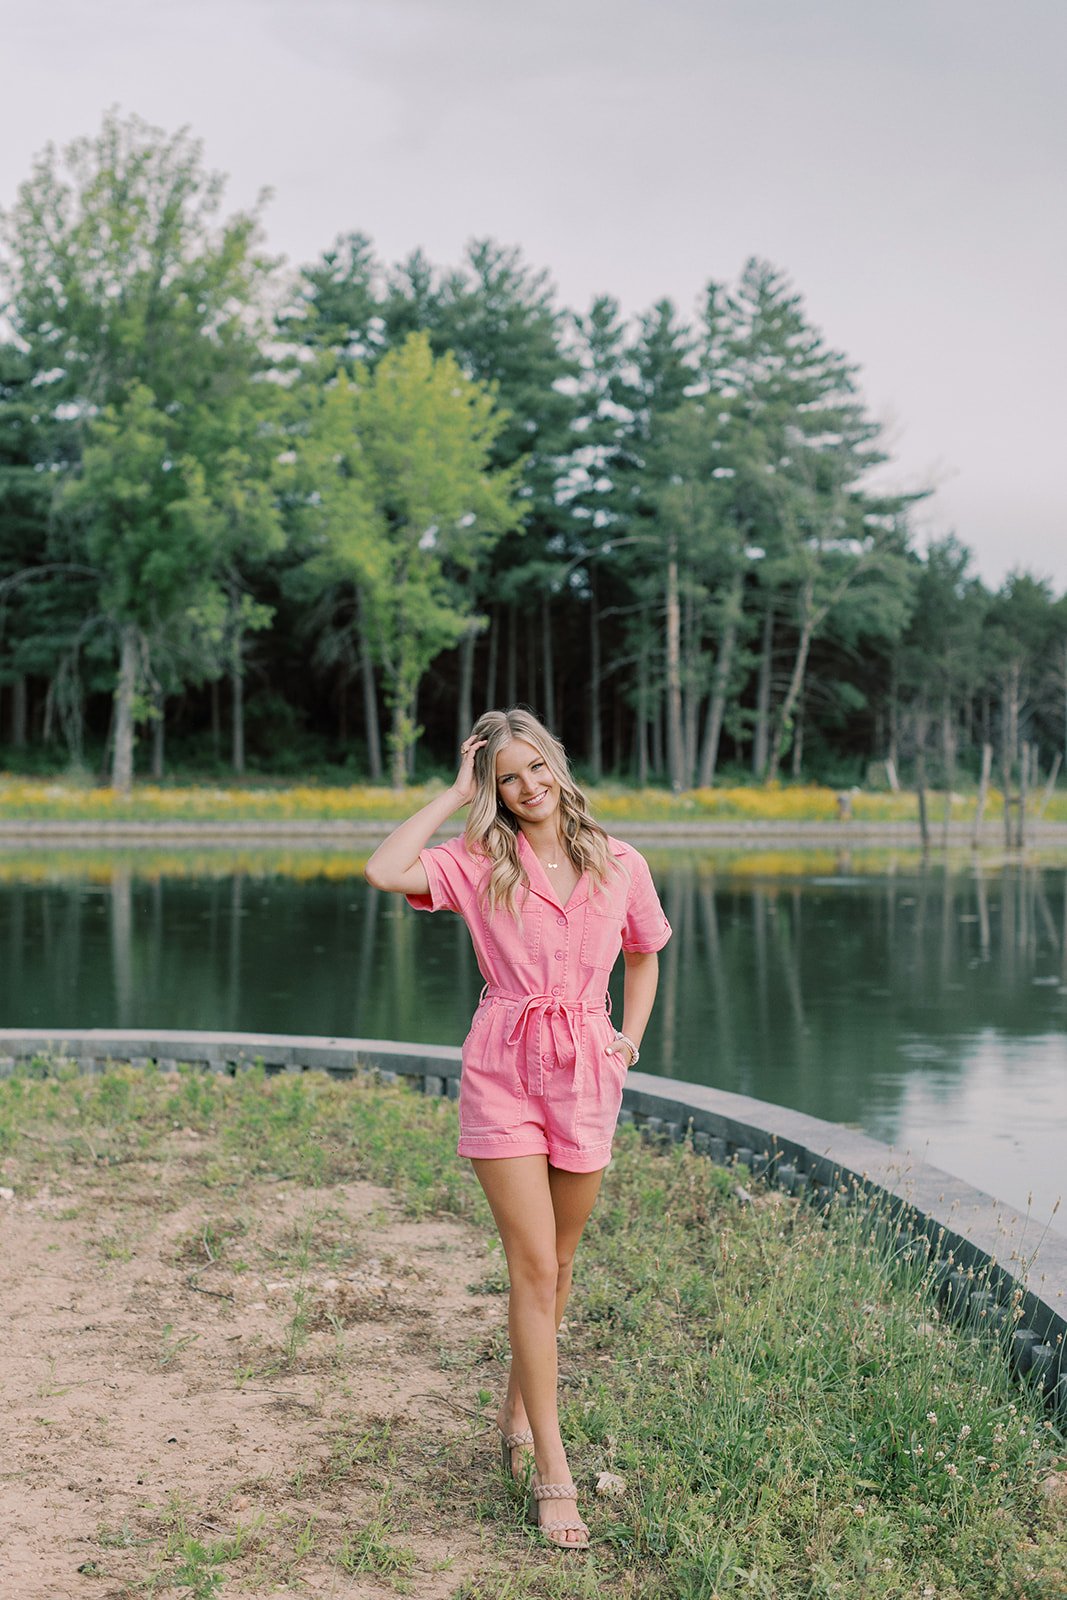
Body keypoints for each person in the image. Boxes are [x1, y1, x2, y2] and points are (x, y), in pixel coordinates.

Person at [363, 707, 671, 1551]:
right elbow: (383, 869)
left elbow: (643, 952)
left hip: (586, 1072)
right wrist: (452, 793)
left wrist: (628, 1038)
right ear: (492, 789)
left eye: (535, 768)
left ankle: (513, 1416)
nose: (527, 787)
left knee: (560, 1267)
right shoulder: (478, 860)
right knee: (533, 1265)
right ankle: (552, 1471)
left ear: (557, 768)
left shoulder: (619, 862)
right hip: (504, 1069)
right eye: (507, 776)